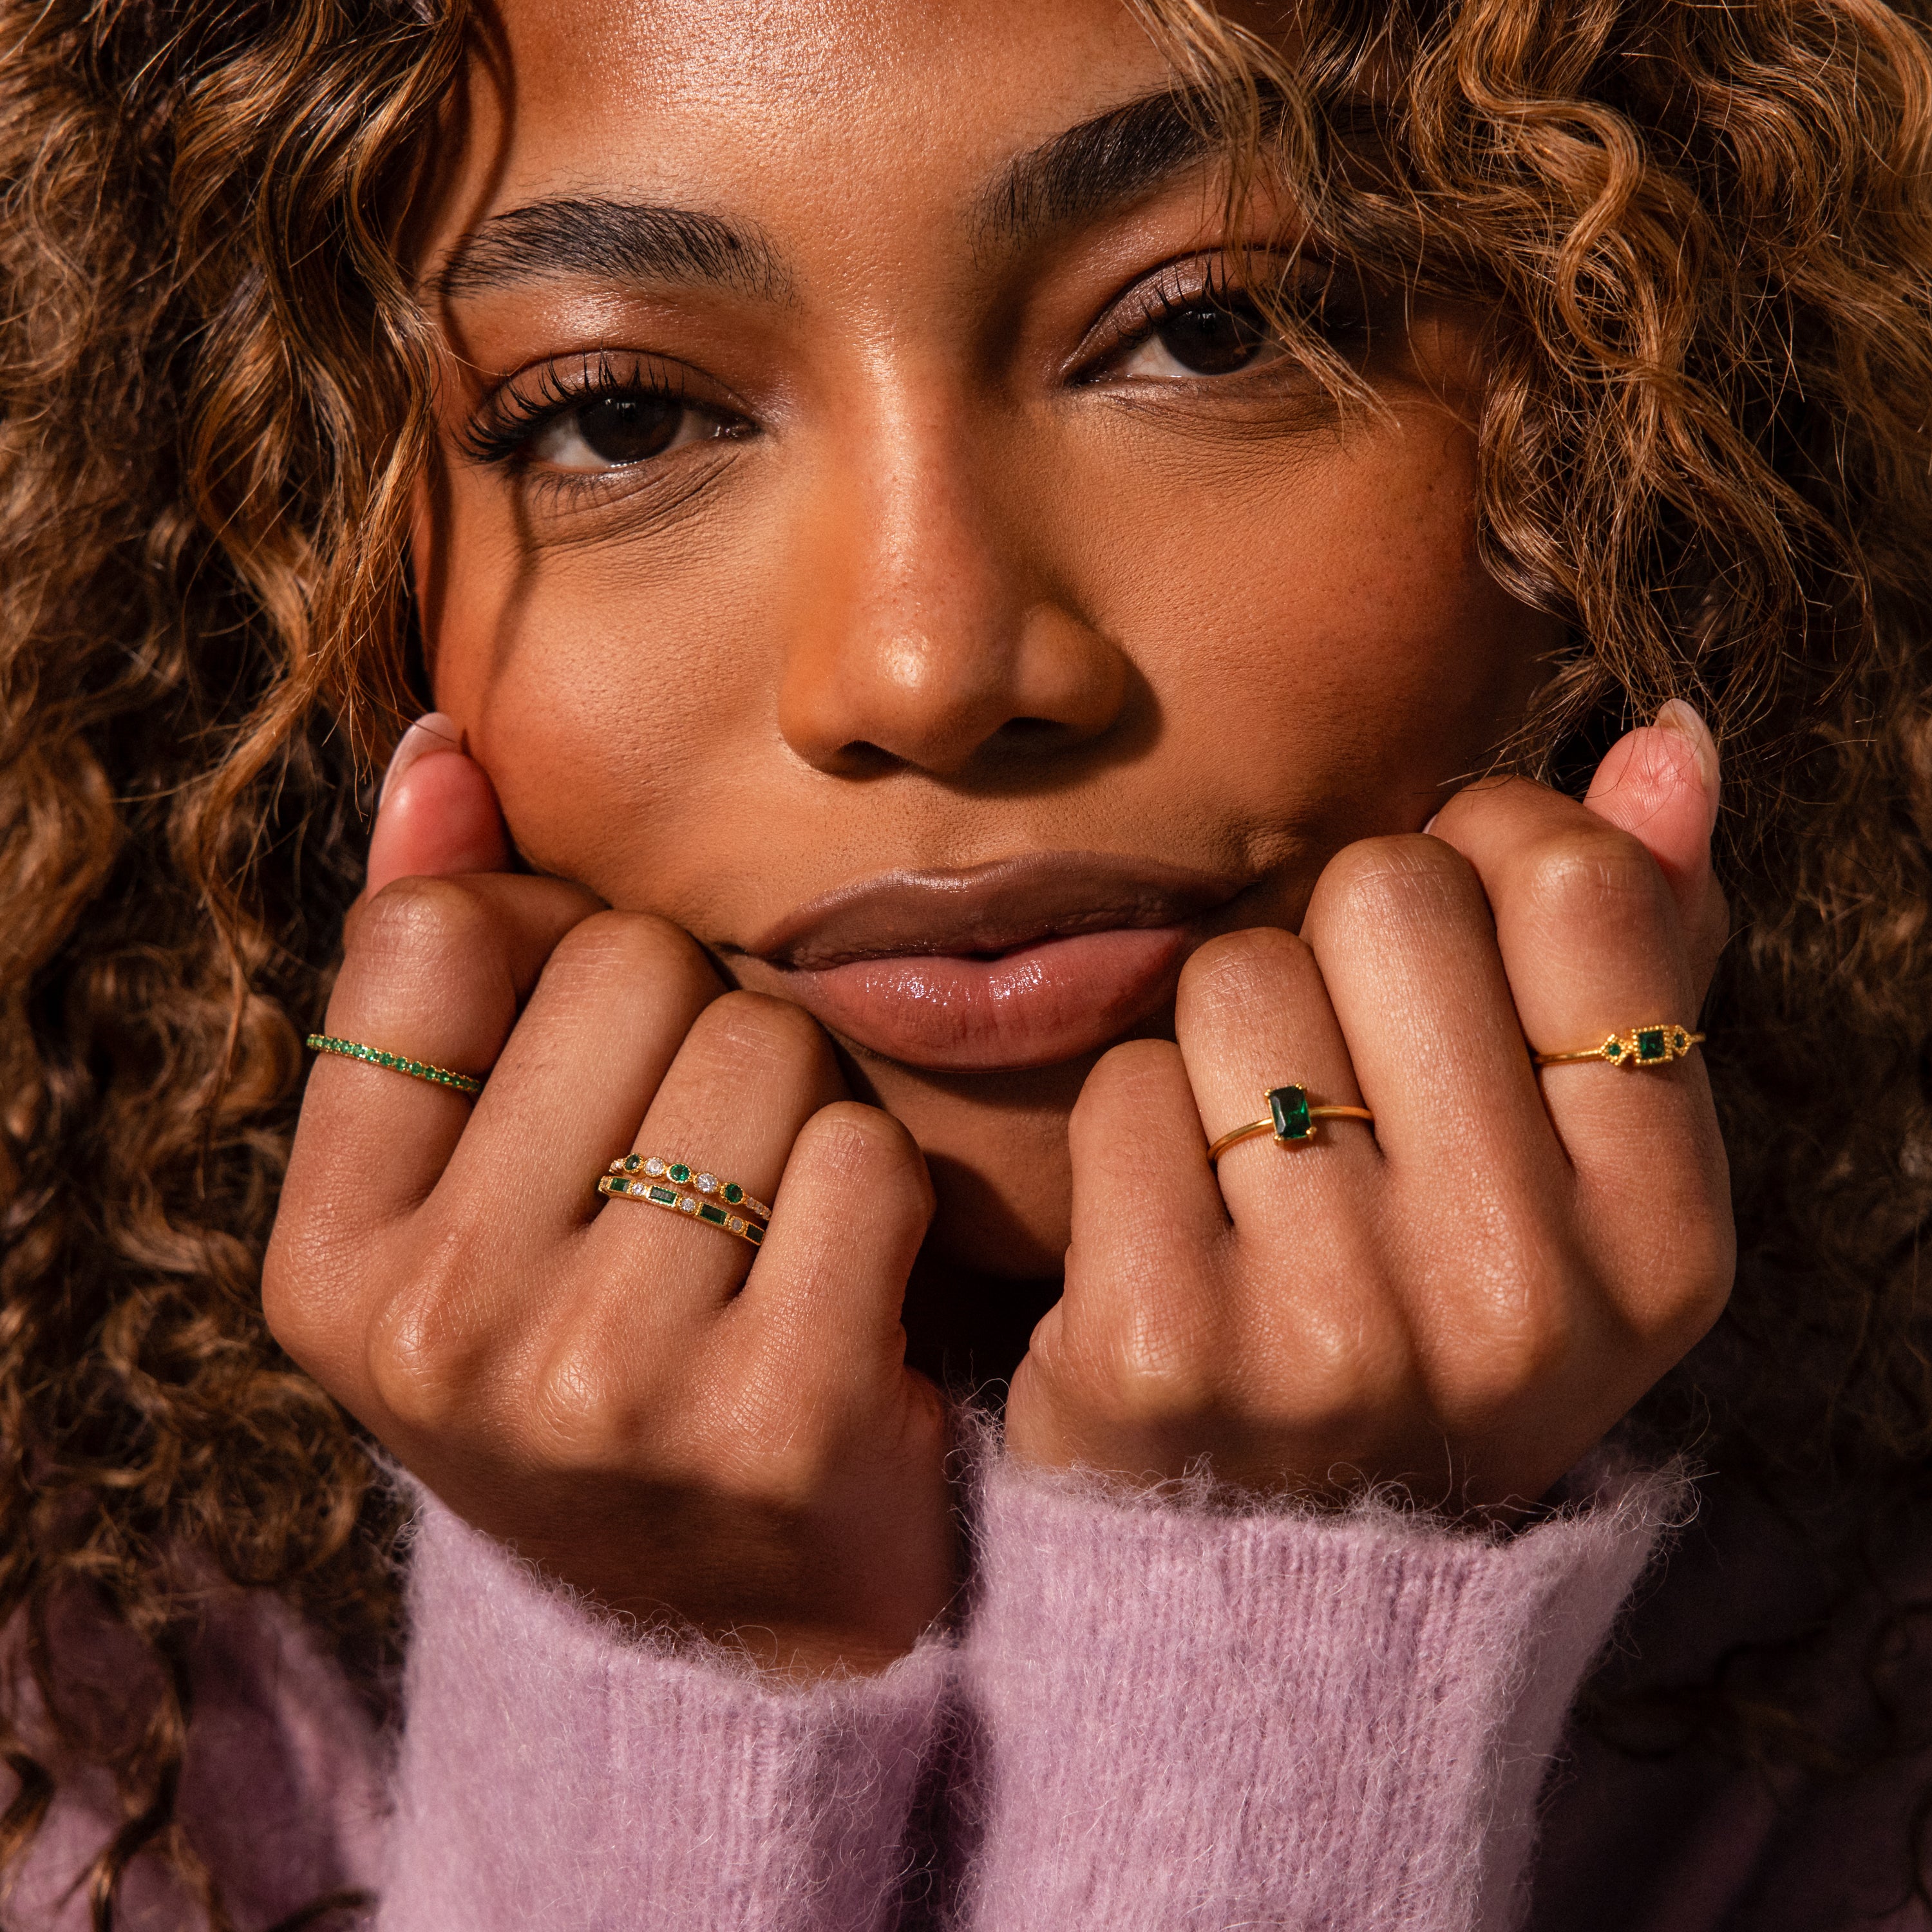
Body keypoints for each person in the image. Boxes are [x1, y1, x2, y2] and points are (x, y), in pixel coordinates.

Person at [3, 0, 1929, 1924]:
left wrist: (1284, 1623)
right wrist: (665, 1659)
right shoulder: (87, 1694)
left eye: (1208, 329)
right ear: (300, 578)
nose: (927, 671)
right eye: (621, 415)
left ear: (1635, 437)